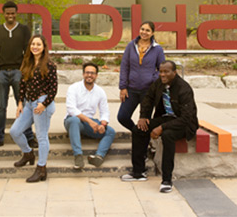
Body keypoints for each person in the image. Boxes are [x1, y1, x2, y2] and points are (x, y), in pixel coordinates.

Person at [121, 61, 198, 193]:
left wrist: (162, 127)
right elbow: (148, 99)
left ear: (174, 72)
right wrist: (144, 116)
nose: (162, 74)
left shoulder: (183, 88)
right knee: (139, 129)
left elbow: (186, 118)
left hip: (184, 124)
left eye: (166, 72)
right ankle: (139, 171)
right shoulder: (158, 83)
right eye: (160, 71)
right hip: (166, 117)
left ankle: (167, 180)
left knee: (168, 135)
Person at [0, 1, 37, 149]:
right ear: (3, 14)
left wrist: (23, 71)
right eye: (7, 13)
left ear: (16, 13)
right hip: (2, 72)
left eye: (13, 13)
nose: (10, 15)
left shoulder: (23, 29)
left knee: (23, 105)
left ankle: (29, 137)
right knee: (1, 107)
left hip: (18, 72)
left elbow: (28, 53)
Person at [10, 34, 57, 183]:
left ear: (44, 48)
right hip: (29, 103)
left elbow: (54, 89)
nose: (35, 47)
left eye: (38, 44)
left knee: (41, 136)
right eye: (33, 44)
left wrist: (44, 104)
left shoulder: (49, 65)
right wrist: (19, 103)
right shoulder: (27, 63)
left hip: (43, 102)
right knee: (15, 131)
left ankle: (41, 168)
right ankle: (28, 154)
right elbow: (22, 85)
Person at [64, 62, 116, 169]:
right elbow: (71, 109)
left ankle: (98, 156)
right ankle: (78, 156)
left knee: (110, 131)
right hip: (73, 121)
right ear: (83, 74)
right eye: (87, 72)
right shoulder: (74, 88)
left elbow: (105, 111)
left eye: (92, 73)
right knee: (74, 120)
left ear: (96, 75)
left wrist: (103, 123)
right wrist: (90, 122)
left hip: (89, 124)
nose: (89, 75)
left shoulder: (100, 91)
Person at [118, 21, 165, 131]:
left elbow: (162, 69)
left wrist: (151, 79)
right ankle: (136, 133)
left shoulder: (157, 49)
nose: (144, 32)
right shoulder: (131, 45)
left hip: (148, 92)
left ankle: (144, 142)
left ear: (152, 33)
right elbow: (124, 66)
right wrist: (123, 87)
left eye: (147, 30)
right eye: (142, 29)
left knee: (144, 121)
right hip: (131, 90)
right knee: (122, 117)